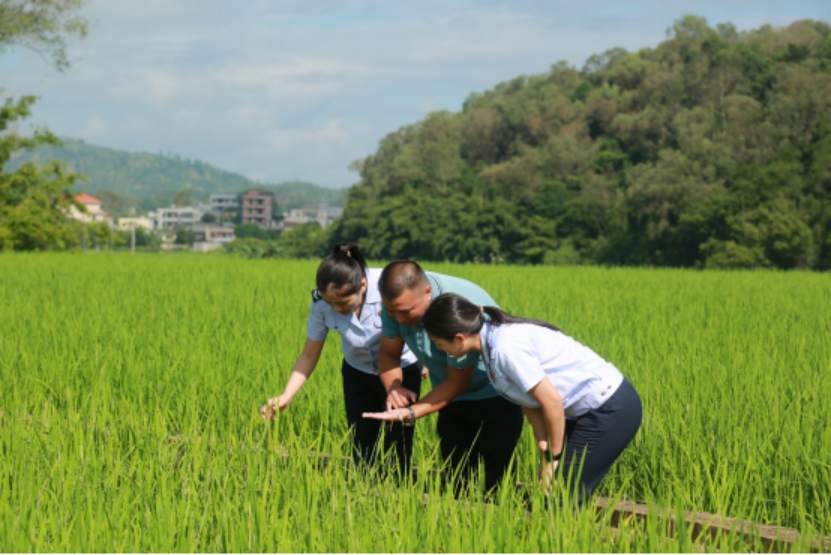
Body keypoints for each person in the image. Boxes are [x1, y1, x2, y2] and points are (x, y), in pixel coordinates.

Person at [368, 292, 642, 504]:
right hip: (581, 412)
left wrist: (552, 459)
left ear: (459, 338)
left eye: (440, 345)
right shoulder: (489, 345)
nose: (441, 353)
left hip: (608, 409)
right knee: (553, 491)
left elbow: (551, 402)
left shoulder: (505, 349)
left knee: (562, 497)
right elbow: (532, 406)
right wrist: (544, 454)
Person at [260, 244, 422, 475]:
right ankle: (366, 495)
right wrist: (287, 395)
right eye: (331, 303)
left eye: (343, 303)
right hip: (358, 373)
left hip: (402, 372)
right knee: (361, 444)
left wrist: (426, 361)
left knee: (399, 444)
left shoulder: (388, 286)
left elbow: (421, 313)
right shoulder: (321, 305)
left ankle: (399, 497)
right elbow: (309, 355)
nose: (337, 309)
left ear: (363, 285)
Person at [366, 260, 524, 494]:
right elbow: (388, 354)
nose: (398, 319)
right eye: (392, 312)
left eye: (405, 312)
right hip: (450, 397)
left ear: (427, 292)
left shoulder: (453, 309)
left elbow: (458, 382)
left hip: (495, 392)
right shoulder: (397, 305)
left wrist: (411, 412)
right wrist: (394, 386)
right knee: (457, 475)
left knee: (497, 478)